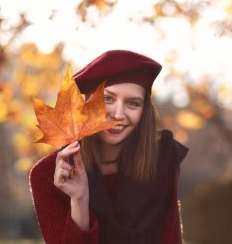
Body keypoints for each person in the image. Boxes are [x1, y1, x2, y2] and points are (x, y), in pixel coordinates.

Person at [29, 50, 189, 244]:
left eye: (133, 103)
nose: (119, 114)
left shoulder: (162, 158)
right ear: (86, 103)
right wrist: (79, 201)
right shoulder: (48, 175)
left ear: (144, 112)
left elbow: (171, 239)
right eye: (107, 99)